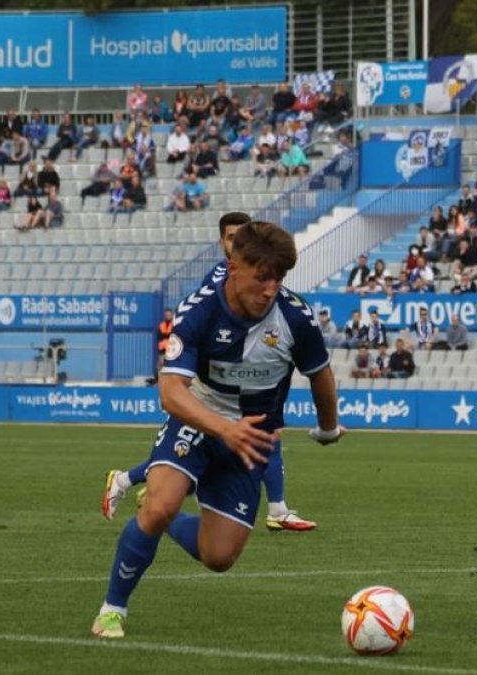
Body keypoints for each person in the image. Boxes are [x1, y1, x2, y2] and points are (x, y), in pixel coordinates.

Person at [90, 222, 343, 640]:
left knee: (219, 556)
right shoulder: (199, 311)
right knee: (159, 506)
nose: (270, 289)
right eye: (261, 277)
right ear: (233, 268)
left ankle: (161, 513)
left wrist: (329, 428)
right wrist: (224, 428)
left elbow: (320, 374)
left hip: (252, 441)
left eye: (278, 279)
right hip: (198, 420)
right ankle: (112, 611)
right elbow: (171, 393)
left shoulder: (296, 317)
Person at [102, 213, 318, 532]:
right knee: (202, 448)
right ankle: (129, 481)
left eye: (239, 238)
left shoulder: (255, 276)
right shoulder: (216, 281)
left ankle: (277, 508)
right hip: (213, 386)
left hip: (250, 379)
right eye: (229, 238)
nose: (234, 243)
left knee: (266, 436)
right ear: (221, 243)